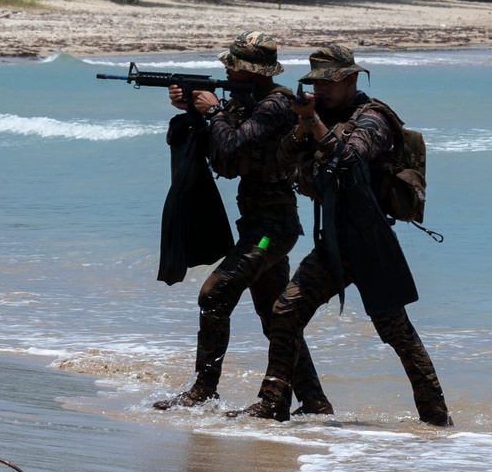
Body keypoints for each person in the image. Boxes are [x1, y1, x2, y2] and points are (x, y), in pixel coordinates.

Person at [235, 44, 452, 425]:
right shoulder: (319, 116)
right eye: (316, 83)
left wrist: (314, 125)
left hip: (369, 241)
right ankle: (274, 404)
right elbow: (284, 160)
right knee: (286, 311)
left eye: (329, 83)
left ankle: (436, 418)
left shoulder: (373, 118)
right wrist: (302, 128)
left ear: (351, 80)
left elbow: (348, 158)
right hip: (334, 241)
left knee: (396, 332)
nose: (321, 91)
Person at [153, 31, 333, 415]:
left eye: (231, 67)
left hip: (271, 231)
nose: (226, 72)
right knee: (275, 318)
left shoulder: (275, 106)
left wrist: (214, 111)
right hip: (256, 224)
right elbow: (221, 157)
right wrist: (192, 110)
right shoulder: (246, 103)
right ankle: (315, 402)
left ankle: (204, 390)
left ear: (251, 73)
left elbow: (234, 144)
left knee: (214, 295)